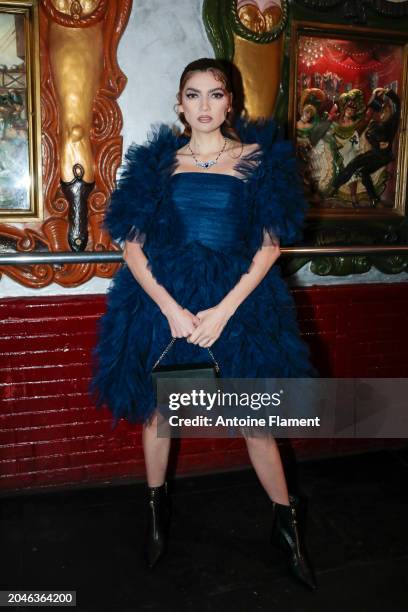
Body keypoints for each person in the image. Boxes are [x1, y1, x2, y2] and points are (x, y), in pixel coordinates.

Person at [91, 58, 318, 590]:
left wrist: (225, 310)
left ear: (230, 102)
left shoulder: (257, 159)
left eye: (216, 95)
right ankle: (156, 513)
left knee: (256, 425)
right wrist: (170, 308)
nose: (205, 106)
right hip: (165, 305)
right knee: (159, 416)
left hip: (237, 306)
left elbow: (269, 246)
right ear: (179, 103)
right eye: (193, 96)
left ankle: (287, 527)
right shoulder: (159, 164)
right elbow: (131, 244)